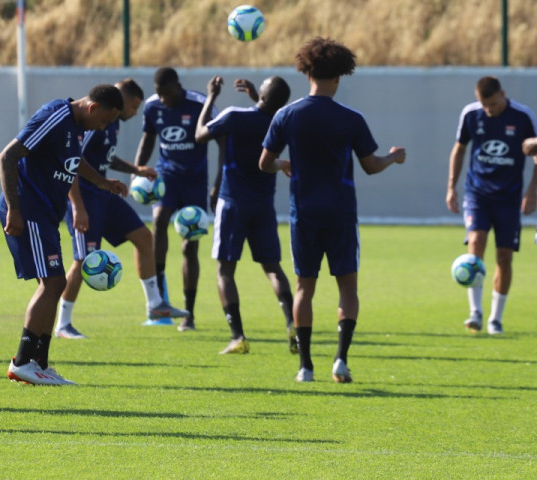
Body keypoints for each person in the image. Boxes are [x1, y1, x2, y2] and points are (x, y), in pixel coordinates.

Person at [259, 37, 406, 383]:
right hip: (340, 215)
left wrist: (283, 164)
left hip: (303, 215)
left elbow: (263, 163)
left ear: (306, 72)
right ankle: (340, 360)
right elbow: (370, 165)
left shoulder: (286, 115)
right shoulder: (351, 119)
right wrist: (394, 157)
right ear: (339, 76)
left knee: (303, 289)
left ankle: (305, 367)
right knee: (347, 289)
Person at [0, 85, 127, 385]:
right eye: (106, 121)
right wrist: (13, 209)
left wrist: (102, 182)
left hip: (45, 214)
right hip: (28, 209)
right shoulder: (56, 115)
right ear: (94, 108)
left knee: (56, 283)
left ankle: (39, 364)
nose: (104, 128)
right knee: (54, 282)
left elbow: (72, 161)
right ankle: (22, 362)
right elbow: (8, 156)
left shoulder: (77, 126)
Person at [55, 79, 189, 339]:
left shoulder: (111, 121)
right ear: (122, 101)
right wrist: (77, 207)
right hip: (84, 196)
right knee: (83, 260)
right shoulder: (97, 121)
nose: (135, 113)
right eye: (134, 107)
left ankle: (155, 305)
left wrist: (136, 169)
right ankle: (63, 323)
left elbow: (105, 158)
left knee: (143, 237)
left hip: (104, 193)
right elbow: (72, 161)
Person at [195, 75, 296, 355]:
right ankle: (293, 326)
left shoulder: (233, 116)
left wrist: (211, 96)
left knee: (225, 271)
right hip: (263, 204)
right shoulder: (281, 124)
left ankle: (238, 337)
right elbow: (267, 121)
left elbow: (200, 134)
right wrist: (260, 100)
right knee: (273, 268)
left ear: (261, 95)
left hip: (232, 202)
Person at [448, 76, 537, 335]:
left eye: (493, 104)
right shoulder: (471, 113)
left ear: (502, 95)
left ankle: (495, 319)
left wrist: (532, 191)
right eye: (484, 105)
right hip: (477, 193)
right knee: (475, 245)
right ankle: (475, 313)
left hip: (509, 197)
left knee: (504, 257)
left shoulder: (522, 116)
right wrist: (451, 186)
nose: (489, 110)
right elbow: (459, 149)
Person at [133, 67, 210, 330]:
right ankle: (160, 297)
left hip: (195, 181)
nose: (163, 99)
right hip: (166, 176)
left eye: (166, 93)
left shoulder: (199, 103)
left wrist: (219, 181)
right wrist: (137, 171)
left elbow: (219, 138)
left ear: (178, 86)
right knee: (158, 221)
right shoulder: (153, 107)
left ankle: (189, 312)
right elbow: (148, 139)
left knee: (190, 245)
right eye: (159, 94)